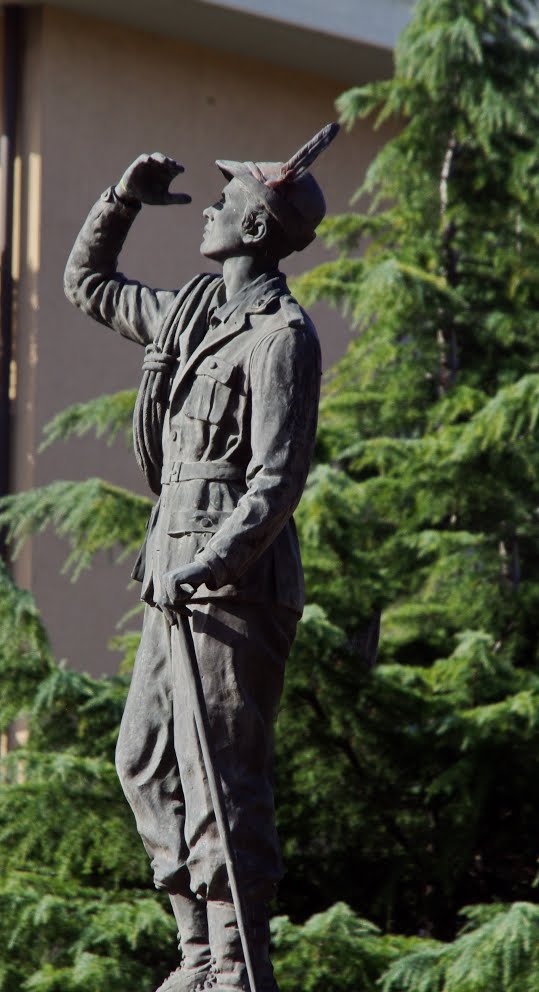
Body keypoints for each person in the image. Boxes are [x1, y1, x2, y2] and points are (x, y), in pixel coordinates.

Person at [64, 125, 339, 992]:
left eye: (227, 199)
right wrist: (120, 203)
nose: (210, 206)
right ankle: (192, 947)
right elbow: (87, 285)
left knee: (221, 771)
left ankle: (229, 960)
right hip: (169, 580)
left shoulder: (281, 337)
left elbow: (275, 481)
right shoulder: (189, 312)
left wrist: (210, 563)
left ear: (257, 229)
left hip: (235, 588)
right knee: (143, 760)